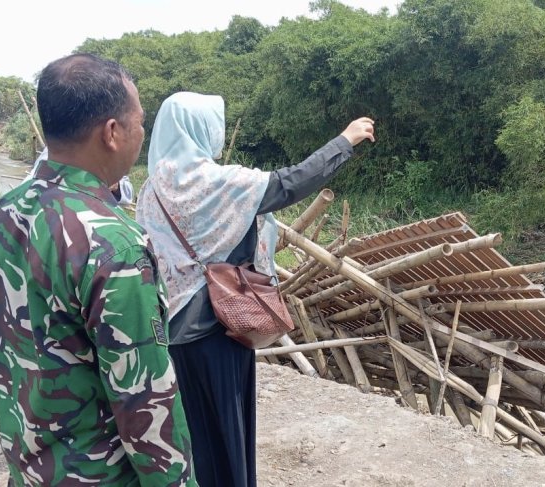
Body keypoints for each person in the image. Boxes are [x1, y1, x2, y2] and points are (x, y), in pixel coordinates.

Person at [0, 54, 195, 486]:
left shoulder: (3, 213)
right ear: (112, 132)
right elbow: (144, 401)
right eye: (139, 121)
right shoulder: (114, 245)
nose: (143, 133)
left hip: (31, 470)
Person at [136, 91, 375, 487]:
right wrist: (344, 141)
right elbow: (289, 184)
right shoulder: (213, 181)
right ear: (201, 129)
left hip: (173, 326)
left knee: (194, 428)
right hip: (221, 322)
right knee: (229, 425)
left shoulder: (152, 188)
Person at [25, 147, 134, 204]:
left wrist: (116, 186)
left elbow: (127, 193)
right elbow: (32, 181)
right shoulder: (56, 150)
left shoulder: (111, 153)